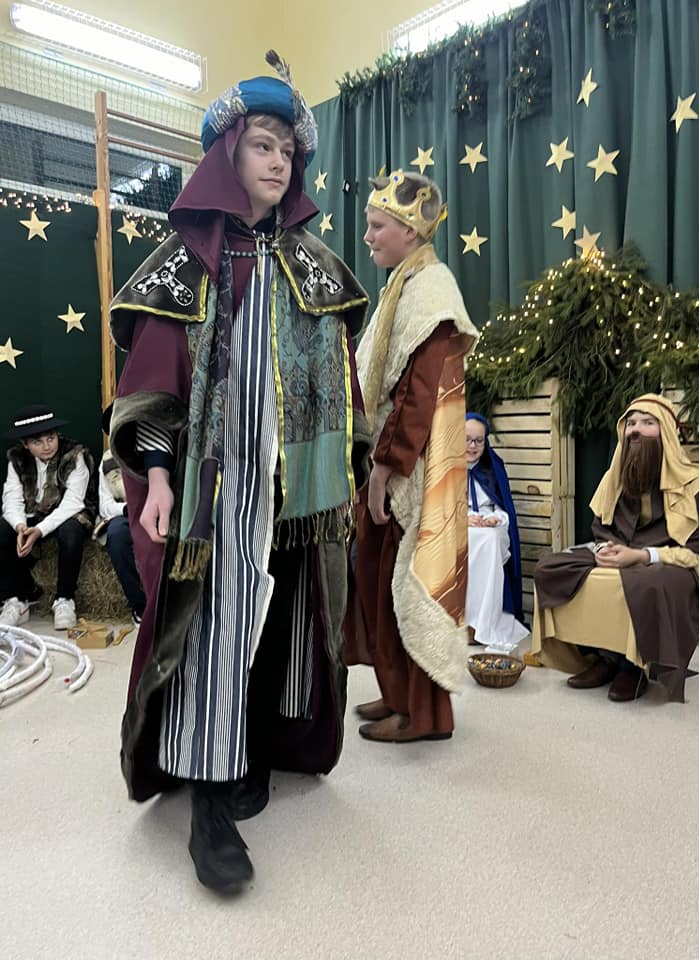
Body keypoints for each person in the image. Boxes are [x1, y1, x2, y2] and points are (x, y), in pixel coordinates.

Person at [108, 51, 370, 895]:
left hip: (296, 490)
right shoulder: (188, 258)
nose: (277, 161)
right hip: (214, 488)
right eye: (262, 144)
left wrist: (351, 468)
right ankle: (211, 802)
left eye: (287, 150)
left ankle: (255, 745)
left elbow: (344, 382)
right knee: (214, 625)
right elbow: (153, 381)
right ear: (228, 152)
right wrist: (156, 477)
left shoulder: (313, 264)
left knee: (281, 620)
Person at [346, 170, 478, 744]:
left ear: (409, 229)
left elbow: (417, 393)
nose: (368, 237)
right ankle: (397, 693)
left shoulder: (431, 292)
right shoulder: (403, 284)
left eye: (377, 226)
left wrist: (384, 468)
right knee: (378, 585)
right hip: (391, 462)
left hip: (408, 472)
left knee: (404, 584)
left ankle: (422, 715)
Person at [532, 394, 699, 703]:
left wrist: (641, 556)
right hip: (623, 552)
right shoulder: (614, 479)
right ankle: (603, 657)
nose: (636, 430)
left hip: (670, 564)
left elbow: (695, 552)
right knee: (551, 568)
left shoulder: (694, 487)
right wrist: (606, 549)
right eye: (631, 423)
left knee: (649, 583)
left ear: (667, 432)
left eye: (648, 422)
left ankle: (634, 667)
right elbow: (602, 528)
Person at [0, 404, 95, 630]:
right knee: (3, 528)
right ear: (25, 444)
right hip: (34, 514)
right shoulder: (17, 459)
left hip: (68, 513)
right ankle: (17, 599)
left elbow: (74, 502)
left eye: (51, 438)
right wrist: (20, 526)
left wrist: (40, 530)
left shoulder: (74, 456)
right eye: (37, 442)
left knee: (71, 531)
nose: (46, 446)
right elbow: (12, 499)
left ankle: (64, 599)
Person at [465, 413, 528, 652]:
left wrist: (496, 518)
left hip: (489, 527)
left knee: (490, 540)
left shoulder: (493, 468)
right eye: (467, 439)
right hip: (458, 526)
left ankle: (485, 622)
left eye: (478, 441)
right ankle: (464, 621)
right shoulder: (446, 468)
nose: (472, 446)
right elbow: (438, 508)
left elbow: (503, 508)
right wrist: (463, 519)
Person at [94, 405, 146, 625]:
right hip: (128, 514)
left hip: (163, 512)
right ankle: (139, 604)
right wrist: (127, 509)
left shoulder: (160, 451)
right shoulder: (107, 461)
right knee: (116, 535)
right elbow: (105, 505)